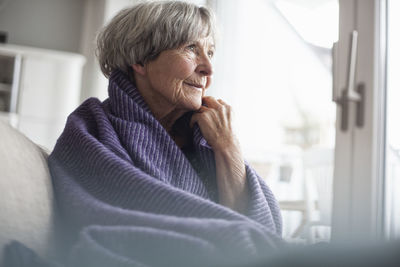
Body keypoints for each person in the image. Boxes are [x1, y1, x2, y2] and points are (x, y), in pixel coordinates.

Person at [31, 1, 283, 266]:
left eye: (210, 52)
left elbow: (263, 231)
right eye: (191, 49)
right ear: (140, 59)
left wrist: (228, 147)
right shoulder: (92, 130)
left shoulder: (208, 135)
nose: (208, 69)